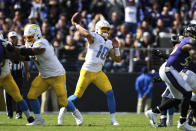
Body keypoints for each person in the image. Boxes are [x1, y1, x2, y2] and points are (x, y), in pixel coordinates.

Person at [16, 24, 83, 126]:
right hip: (43, 76)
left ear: (37, 35)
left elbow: (37, 51)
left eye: (29, 37)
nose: (27, 40)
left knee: (63, 101)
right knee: (31, 95)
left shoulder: (42, 42)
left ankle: (77, 114)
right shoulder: (29, 45)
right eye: (25, 37)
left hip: (56, 75)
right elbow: (25, 55)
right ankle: (39, 120)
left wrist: (19, 50)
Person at [68, 12, 121, 126]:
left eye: (107, 29)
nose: (106, 31)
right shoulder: (94, 37)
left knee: (110, 93)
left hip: (98, 72)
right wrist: (75, 24)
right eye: (104, 28)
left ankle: (113, 119)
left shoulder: (109, 43)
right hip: (87, 71)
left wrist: (117, 48)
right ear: (98, 29)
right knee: (76, 96)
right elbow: (86, 33)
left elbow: (117, 60)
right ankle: (65, 108)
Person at [145, 25, 196, 131]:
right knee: (187, 93)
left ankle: (154, 112)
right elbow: (191, 50)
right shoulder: (189, 41)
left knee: (177, 99)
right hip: (170, 69)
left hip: (171, 70)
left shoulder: (186, 41)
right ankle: (182, 122)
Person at [0, 33, 34, 124]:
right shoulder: (6, 44)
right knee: (14, 96)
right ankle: (24, 116)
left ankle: (29, 117)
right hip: (6, 74)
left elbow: (15, 58)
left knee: (18, 95)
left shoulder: (6, 45)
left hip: (6, 76)